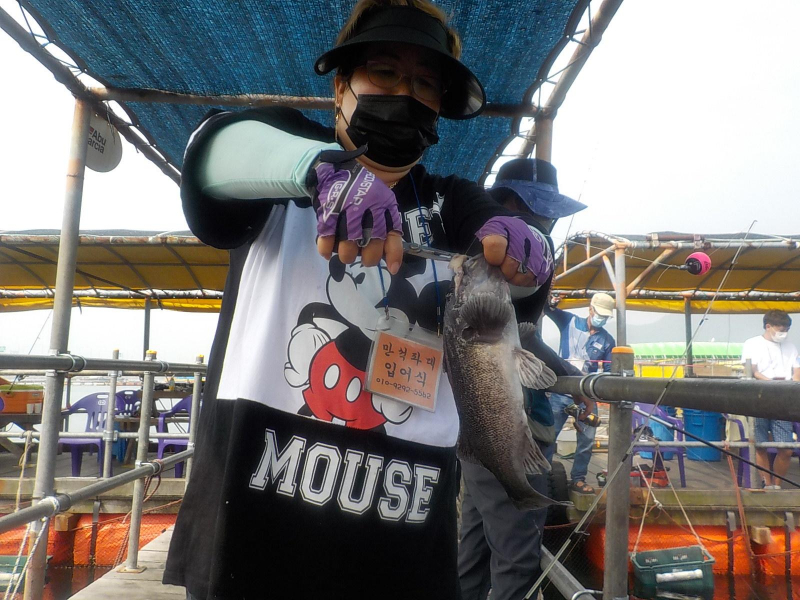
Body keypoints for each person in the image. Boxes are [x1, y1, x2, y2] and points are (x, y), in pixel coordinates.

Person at [162, 2, 556, 599]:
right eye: (385, 72)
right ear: (341, 85)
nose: (405, 94)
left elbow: (521, 278)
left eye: (425, 83)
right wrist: (322, 171)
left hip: (405, 545)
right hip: (251, 541)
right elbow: (214, 151)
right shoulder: (281, 163)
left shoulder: (454, 203)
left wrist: (528, 251)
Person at [457, 158, 589, 600]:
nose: (547, 222)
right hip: (511, 426)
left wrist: (565, 371)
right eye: (540, 209)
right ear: (511, 202)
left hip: (476, 427)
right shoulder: (513, 252)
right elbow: (521, 334)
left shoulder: (490, 254)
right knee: (516, 557)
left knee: (474, 546)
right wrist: (571, 376)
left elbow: (519, 333)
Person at [544, 292, 616, 494]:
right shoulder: (569, 321)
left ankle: (578, 479)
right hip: (561, 392)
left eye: (606, 316)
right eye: (600, 314)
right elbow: (547, 309)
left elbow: (610, 371)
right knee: (548, 436)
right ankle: (542, 475)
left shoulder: (607, 340)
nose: (602, 319)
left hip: (586, 397)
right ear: (590, 309)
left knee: (586, 441)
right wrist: (551, 301)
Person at [741, 310, 800, 489]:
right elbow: (752, 371)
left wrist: (791, 383)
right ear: (768, 326)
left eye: (787, 330)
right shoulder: (752, 344)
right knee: (760, 445)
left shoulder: (791, 347)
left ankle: (777, 484)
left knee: (786, 448)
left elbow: (797, 371)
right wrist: (771, 383)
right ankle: (767, 483)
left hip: (783, 400)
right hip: (759, 398)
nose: (784, 333)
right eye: (781, 329)